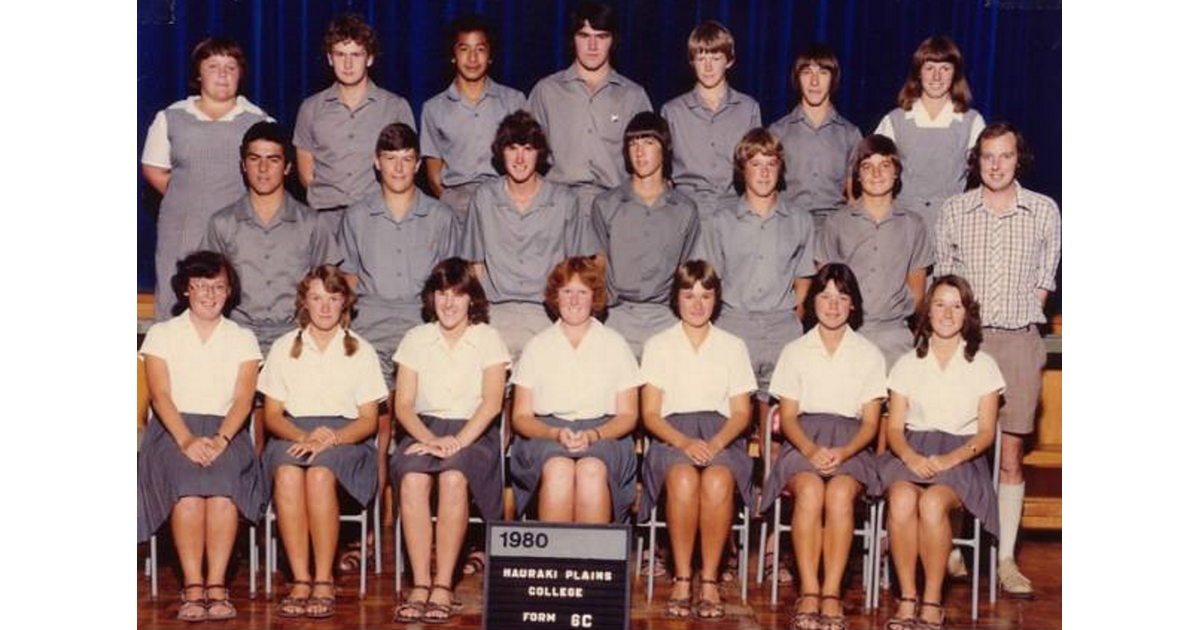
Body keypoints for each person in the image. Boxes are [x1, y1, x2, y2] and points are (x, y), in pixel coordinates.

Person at [935, 122, 1061, 597]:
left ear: (1018, 159)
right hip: (967, 344)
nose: (996, 165)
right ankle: (951, 549)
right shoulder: (955, 209)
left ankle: (1006, 558)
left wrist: (1019, 319)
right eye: (987, 156)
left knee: (1010, 455)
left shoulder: (1043, 210)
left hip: (1018, 342)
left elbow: (1045, 281)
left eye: (1005, 156)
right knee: (959, 445)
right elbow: (943, 282)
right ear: (977, 160)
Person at [137, 251, 264, 622]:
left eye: (218, 287)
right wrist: (186, 441)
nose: (210, 295)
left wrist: (221, 440)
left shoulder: (242, 338)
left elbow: (243, 399)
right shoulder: (162, 334)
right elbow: (160, 395)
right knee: (188, 487)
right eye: (201, 286)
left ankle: (217, 585)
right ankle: (193, 587)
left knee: (224, 487)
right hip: (173, 430)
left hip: (228, 430)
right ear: (185, 290)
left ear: (229, 292)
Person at [760, 264, 886, 630]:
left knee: (840, 494)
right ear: (812, 301)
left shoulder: (869, 354)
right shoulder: (795, 351)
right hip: (803, 441)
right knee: (811, 491)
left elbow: (871, 423)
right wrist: (812, 451)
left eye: (842, 298)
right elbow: (788, 417)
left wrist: (843, 453)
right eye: (825, 296)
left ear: (853, 305)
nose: (833, 306)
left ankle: (831, 593)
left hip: (852, 445)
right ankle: (809, 591)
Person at [259, 265, 388, 619]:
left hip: (347, 439)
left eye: (333, 298)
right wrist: (304, 437)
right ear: (304, 302)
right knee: (287, 472)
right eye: (317, 298)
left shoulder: (361, 350)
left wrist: (331, 439)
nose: (325, 307)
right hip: (292, 432)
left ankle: (323, 579)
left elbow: (369, 420)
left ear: (345, 302)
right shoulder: (284, 347)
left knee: (319, 473)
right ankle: (300, 579)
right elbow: (272, 416)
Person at [878, 275, 1004, 630]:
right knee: (901, 499)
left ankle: (932, 601)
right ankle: (907, 598)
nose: (947, 314)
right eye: (939, 304)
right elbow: (893, 429)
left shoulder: (984, 365)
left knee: (933, 503)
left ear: (967, 314)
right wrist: (911, 458)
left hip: (962, 455)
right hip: (912, 450)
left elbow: (986, 432)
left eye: (956, 306)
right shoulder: (907, 364)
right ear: (927, 311)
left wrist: (949, 459)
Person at [390, 258, 509, 624]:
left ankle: (443, 584)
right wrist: (431, 440)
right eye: (442, 294)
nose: (449, 303)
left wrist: (456, 441)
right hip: (423, 429)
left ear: (472, 299)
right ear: (432, 298)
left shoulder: (487, 338)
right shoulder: (415, 338)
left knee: (455, 476)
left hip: (474, 431)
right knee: (412, 477)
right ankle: (420, 584)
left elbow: (492, 404)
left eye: (458, 294)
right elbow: (404, 406)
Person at [639, 260, 756, 620]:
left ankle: (709, 580)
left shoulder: (733, 346)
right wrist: (684, 443)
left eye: (705, 295)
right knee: (683, 478)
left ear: (716, 299)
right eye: (689, 295)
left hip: (723, 436)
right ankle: (681, 577)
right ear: (676, 298)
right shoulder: (659, 344)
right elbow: (651, 414)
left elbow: (741, 413)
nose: (697, 304)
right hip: (672, 435)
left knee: (718, 479)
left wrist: (716, 444)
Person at [142, 37, 271, 321]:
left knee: (236, 303)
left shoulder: (259, 121)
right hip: (182, 231)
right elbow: (154, 169)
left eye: (230, 67)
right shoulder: (171, 117)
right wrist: (189, 198)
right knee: (177, 306)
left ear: (240, 74)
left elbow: (268, 178)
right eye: (213, 66)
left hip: (236, 233)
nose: (222, 74)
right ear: (198, 73)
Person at [509, 256, 642, 523]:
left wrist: (594, 434)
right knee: (558, 470)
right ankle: (556, 552)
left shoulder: (615, 344)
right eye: (567, 291)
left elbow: (628, 415)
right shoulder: (537, 346)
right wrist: (554, 433)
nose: (574, 300)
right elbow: (521, 417)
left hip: (606, 435)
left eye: (582, 292)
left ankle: (593, 552)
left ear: (594, 297)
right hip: (545, 435)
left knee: (591, 470)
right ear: (555, 296)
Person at [461, 111, 595, 358]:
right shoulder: (484, 197)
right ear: (501, 152)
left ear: (539, 153)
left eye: (528, 149)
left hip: (547, 314)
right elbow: (475, 267)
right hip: (495, 314)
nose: (520, 158)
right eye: (512, 148)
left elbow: (577, 268)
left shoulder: (565, 200)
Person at [698, 128, 815, 407]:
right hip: (734, 325)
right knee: (731, 413)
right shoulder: (720, 220)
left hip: (782, 329)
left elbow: (804, 277)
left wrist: (794, 317)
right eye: (755, 164)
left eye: (771, 164)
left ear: (780, 168)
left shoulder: (800, 219)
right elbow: (710, 280)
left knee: (778, 418)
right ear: (742, 169)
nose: (764, 173)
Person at [202, 121, 341, 356]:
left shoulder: (312, 223)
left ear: (287, 167)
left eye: (273, 160)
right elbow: (206, 287)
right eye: (254, 159)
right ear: (243, 165)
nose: (263, 168)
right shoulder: (222, 223)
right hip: (236, 339)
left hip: (297, 340)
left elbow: (331, 288)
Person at [340, 123, 460, 382]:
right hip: (368, 327)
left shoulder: (441, 216)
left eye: (406, 159)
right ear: (376, 162)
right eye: (390, 158)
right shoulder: (356, 216)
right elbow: (348, 279)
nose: (398, 168)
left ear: (418, 165)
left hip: (423, 324)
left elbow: (452, 286)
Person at [815, 135, 933, 369]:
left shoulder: (913, 224)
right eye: (867, 166)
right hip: (848, 334)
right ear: (857, 175)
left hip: (895, 337)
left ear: (896, 172)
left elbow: (917, 294)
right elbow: (824, 291)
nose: (876, 173)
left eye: (885, 165)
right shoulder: (836, 222)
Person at [294, 14, 416, 239]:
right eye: (340, 55)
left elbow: (406, 166)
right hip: (324, 220)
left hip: (377, 217)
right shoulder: (310, 108)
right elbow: (305, 171)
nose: (348, 64)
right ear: (330, 58)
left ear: (369, 58)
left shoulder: (395, 107)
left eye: (356, 55)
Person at [528, 1, 652, 218]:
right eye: (584, 36)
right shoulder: (546, 91)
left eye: (601, 36)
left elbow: (651, 162)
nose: (592, 46)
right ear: (572, 39)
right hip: (556, 208)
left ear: (613, 40)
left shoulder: (633, 96)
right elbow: (524, 154)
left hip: (616, 209)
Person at [591, 112, 700, 358]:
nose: (640, 152)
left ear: (665, 149)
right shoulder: (606, 204)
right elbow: (598, 267)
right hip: (616, 316)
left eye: (649, 142)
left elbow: (687, 270)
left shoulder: (684, 209)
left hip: (666, 318)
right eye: (633, 144)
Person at [875, 36, 985, 241]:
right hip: (902, 227)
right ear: (918, 72)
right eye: (929, 68)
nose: (936, 76)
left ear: (955, 73)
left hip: (953, 227)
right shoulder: (894, 120)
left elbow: (986, 177)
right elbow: (873, 174)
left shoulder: (972, 121)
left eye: (945, 68)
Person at [421, 14, 526, 221]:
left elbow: (526, 160)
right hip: (455, 205)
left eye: (480, 49)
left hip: (504, 201)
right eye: (464, 49)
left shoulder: (514, 101)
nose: (472, 58)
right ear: (453, 55)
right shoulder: (433, 108)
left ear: (490, 55)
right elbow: (433, 175)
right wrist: (450, 202)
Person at [661, 20, 761, 219]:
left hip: (735, 211)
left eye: (715, 58)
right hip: (686, 211)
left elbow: (756, 167)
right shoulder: (672, 111)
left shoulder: (748, 108)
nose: (708, 67)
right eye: (701, 58)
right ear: (692, 61)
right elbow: (662, 171)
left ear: (729, 61)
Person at [770, 44, 862, 237]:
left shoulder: (850, 134)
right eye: (806, 73)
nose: (814, 81)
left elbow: (854, 199)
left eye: (822, 72)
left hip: (834, 230)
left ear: (833, 79)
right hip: (788, 227)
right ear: (797, 78)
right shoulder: (777, 132)